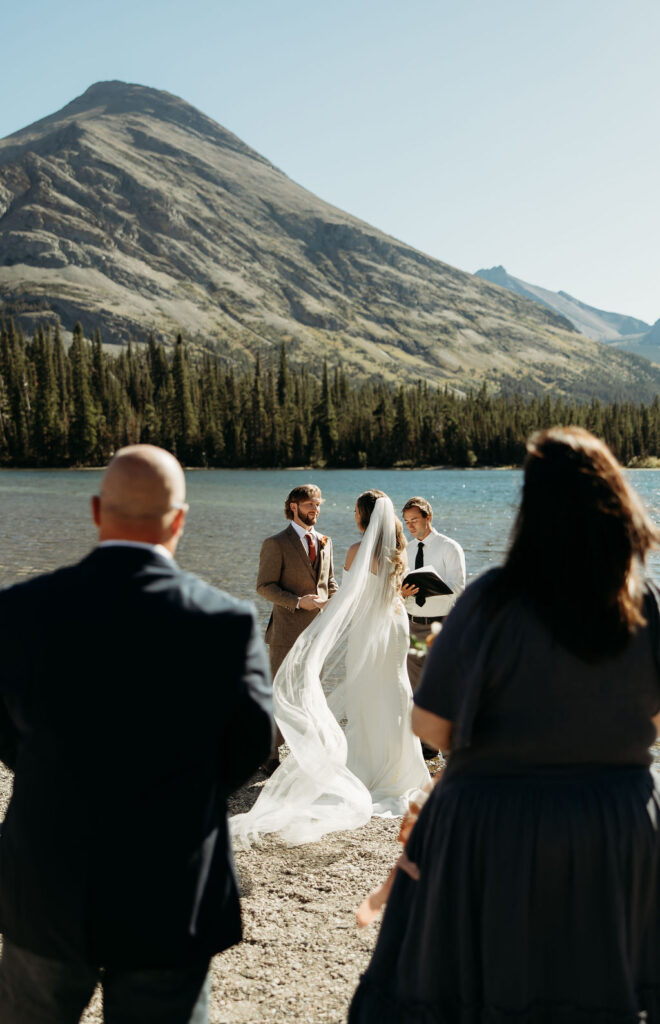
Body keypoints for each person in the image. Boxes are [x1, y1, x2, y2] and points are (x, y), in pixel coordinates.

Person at [350, 428, 660, 1022]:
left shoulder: (492, 599)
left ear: (532, 508)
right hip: (615, 821)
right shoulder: (641, 600)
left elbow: (430, 724)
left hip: (495, 823)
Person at [0, 445, 273, 1024]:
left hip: (47, 876)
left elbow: (6, 731)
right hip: (169, 882)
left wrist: (54, 772)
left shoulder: (19, 611)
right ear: (179, 520)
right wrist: (185, 787)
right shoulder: (224, 622)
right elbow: (251, 743)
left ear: (98, 511)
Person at [232, 490, 429, 848]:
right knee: (396, 690)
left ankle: (366, 765)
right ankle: (404, 768)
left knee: (368, 691)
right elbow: (388, 593)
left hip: (371, 628)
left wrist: (323, 623)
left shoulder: (355, 551)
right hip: (396, 625)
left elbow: (350, 598)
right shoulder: (398, 551)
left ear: (363, 517)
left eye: (355, 510)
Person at [257, 484, 338, 773]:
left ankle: (307, 751)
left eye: (318, 505)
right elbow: (264, 587)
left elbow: (329, 584)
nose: (315, 510)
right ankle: (268, 754)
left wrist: (334, 601)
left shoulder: (326, 541)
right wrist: (296, 602)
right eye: (309, 505)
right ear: (294, 506)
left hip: (318, 633)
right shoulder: (276, 543)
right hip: (285, 632)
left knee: (309, 692)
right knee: (278, 692)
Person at [401, 496, 465, 694]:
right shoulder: (406, 550)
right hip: (411, 625)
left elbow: (459, 587)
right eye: (407, 522)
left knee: (443, 686)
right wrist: (401, 593)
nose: (410, 526)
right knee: (413, 688)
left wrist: (430, 588)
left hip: (440, 626)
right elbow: (398, 588)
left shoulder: (449, 547)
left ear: (428, 517)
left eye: (415, 520)